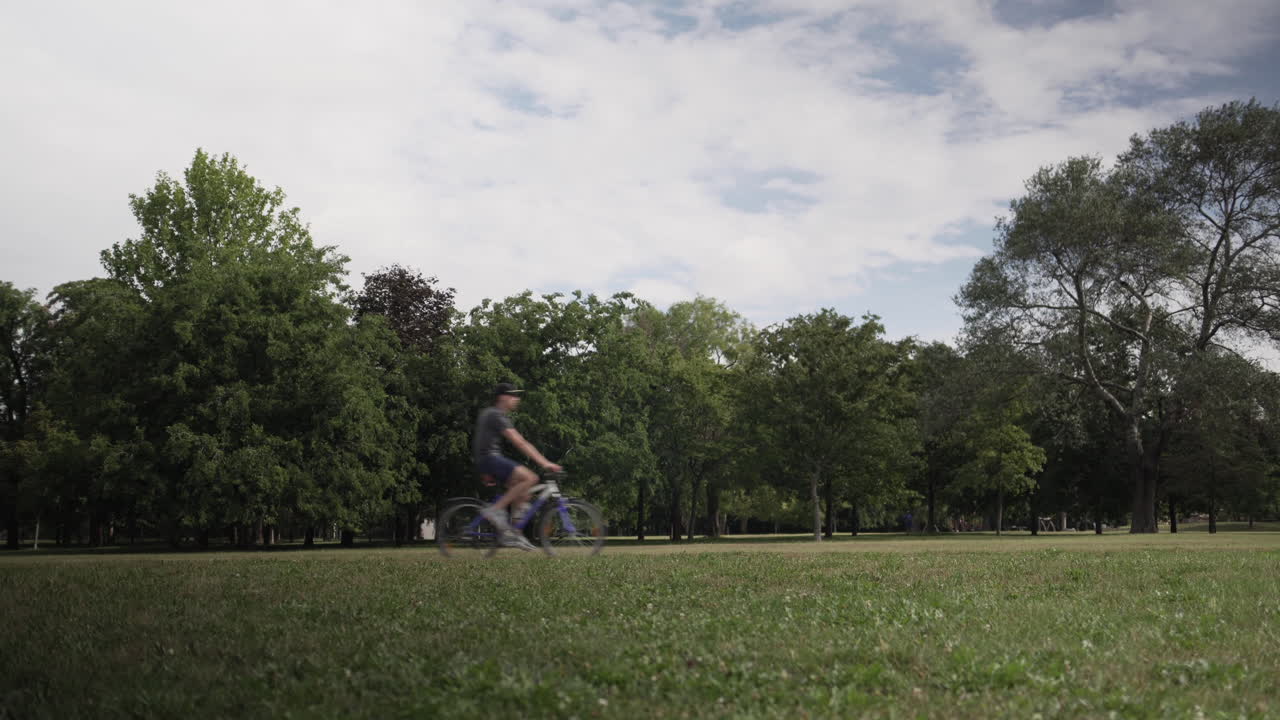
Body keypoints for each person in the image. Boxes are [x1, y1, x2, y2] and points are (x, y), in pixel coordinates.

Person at [473, 382, 563, 550]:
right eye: (513, 395)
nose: (517, 399)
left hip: (486, 460)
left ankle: (514, 534)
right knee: (531, 478)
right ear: (502, 397)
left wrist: (484, 470)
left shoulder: (490, 414)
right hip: (490, 458)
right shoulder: (496, 415)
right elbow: (520, 442)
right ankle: (495, 510)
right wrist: (545, 463)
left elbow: (479, 441)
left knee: (523, 493)